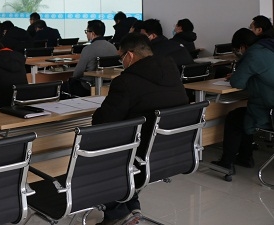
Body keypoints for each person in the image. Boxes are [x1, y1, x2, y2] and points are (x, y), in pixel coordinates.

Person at [93, 33, 189, 225]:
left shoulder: (125, 82)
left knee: (98, 151)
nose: (121, 62)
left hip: (141, 156)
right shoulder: (172, 72)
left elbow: (102, 124)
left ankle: (117, 213)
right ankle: (131, 204)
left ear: (129, 55)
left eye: (120, 57)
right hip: (173, 153)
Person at [212, 28, 274, 174]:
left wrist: (237, 75)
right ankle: (245, 157)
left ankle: (227, 162)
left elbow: (237, 83)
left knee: (235, 118)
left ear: (242, 47)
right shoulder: (269, 47)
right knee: (244, 115)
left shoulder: (253, 54)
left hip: (269, 113)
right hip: (269, 105)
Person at [66, 20, 118, 97]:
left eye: (87, 31)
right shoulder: (113, 47)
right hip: (108, 85)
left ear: (92, 33)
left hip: (88, 86)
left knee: (64, 86)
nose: (86, 34)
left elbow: (77, 73)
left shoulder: (88, 49)